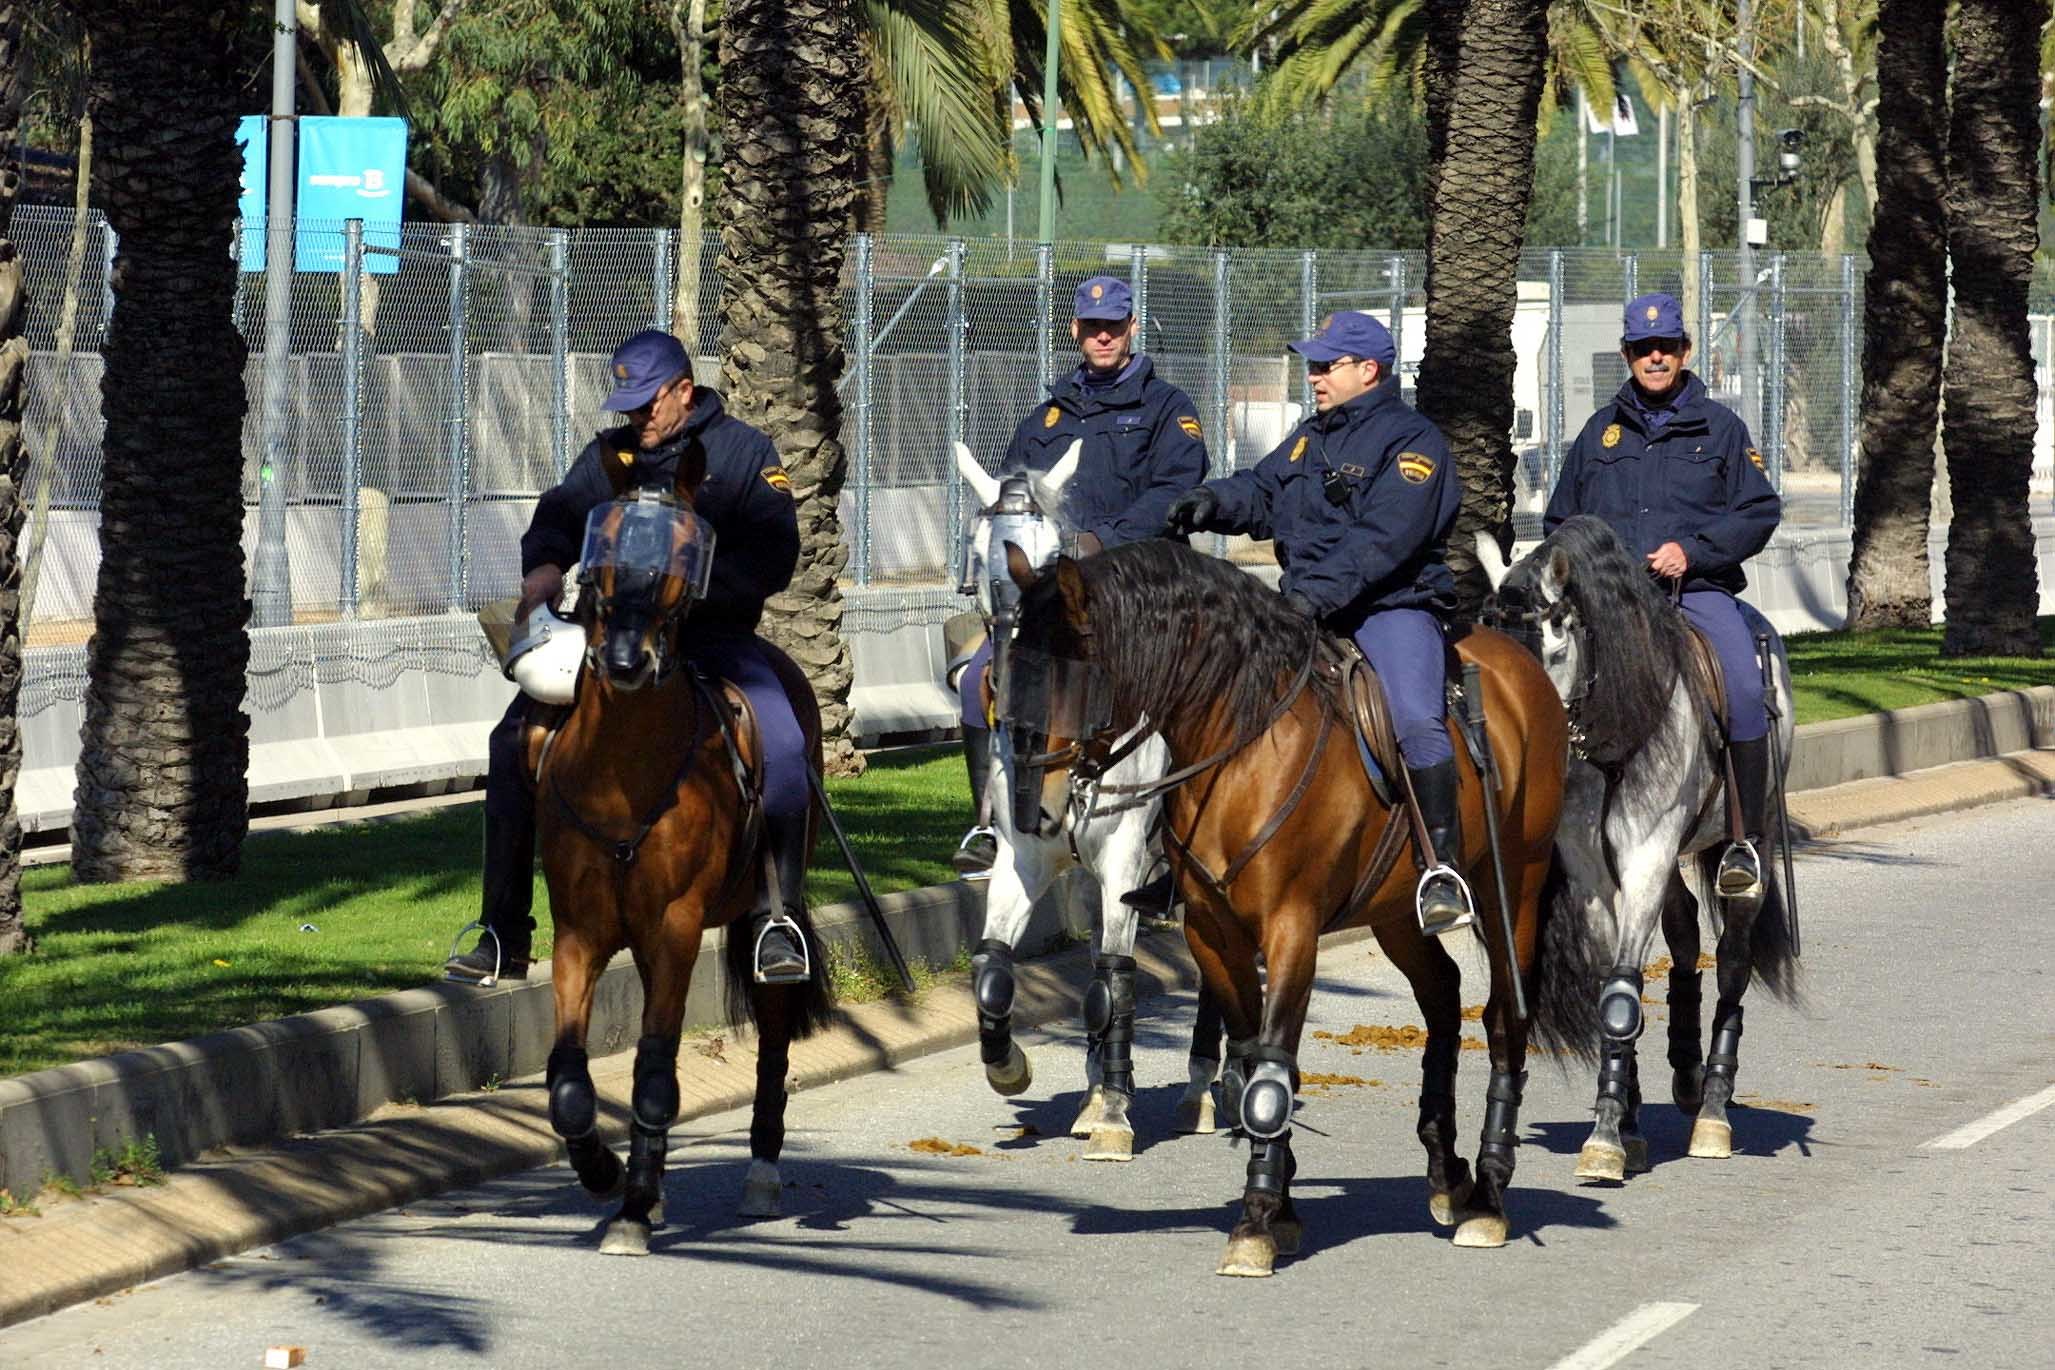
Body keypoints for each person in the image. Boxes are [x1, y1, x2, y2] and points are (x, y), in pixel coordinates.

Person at [447, 329, 812, 985]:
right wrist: (542, 574)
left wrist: (684, 594)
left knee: (784, 745)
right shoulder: (610, 455)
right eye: (629, 405)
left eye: (649, 403)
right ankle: (502, 929)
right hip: (614, 643)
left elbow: (773, 554)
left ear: (681, 389)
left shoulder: (743, 451)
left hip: (713, 639)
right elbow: (559, 515)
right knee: (511, 742)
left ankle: (774, 919)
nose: (638, 417)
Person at [1163, 311, 1473, 935]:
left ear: (1369, 370)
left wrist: (1307, 598)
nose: (1314, 376)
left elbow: (1384, 539)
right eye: (1312, 364)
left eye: (1326, 365)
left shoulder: (1414, 444)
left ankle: (1444, 869)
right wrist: (1210, 504)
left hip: (1390, 609)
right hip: (1303, 606)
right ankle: (1179, 861)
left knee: (1415, 719)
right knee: (1201, 699)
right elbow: (1263, 491)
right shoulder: (1312, 437)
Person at [950, 275, 1210, 875]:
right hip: (1057, 595)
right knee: (976, 686)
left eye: (1114, 326)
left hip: (1142, 590)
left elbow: (1178, 487)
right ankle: (990, 823)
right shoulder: (1048, 414)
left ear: (1132, 329)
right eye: (1092, 327)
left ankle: (1178, 841)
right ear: (1076, 330)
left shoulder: (1168, 408)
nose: (1103, 337)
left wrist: (1104, 539)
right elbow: (1014, 497)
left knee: (1178, 693)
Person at [1544, 292, 1782, 901]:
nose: (1655, 357)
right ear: (1627, 354)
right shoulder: (1600, 431)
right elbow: (1560, 521)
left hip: (1693, 593)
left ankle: (1745, 844)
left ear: (1685, 351)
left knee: (1745, 688)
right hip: (1611, 605)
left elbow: (1758, 511)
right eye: (1643, 349)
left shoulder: (1722, 429)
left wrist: (1693, 552)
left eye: (1666, 347)